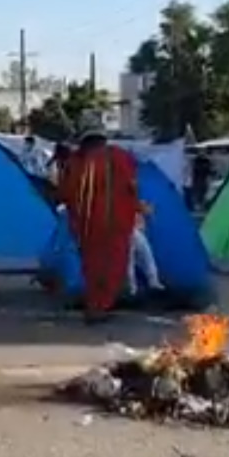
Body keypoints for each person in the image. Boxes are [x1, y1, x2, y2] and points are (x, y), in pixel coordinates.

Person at [57, 130, 140, 323]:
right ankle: (101, 305)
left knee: (93, 267)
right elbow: (132, 187)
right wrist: (137, 208)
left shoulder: (77, 162)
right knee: (113, 266)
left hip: (87, 227)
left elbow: (65, 193)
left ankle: (96, 306)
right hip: (116, 224)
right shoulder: (120, 157)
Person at [128, 202, 164, 296]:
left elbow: (148, 210)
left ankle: (132, 288)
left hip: (127, 234)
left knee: (130, 262)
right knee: (146, 258)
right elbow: (147, 210)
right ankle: (153, 282)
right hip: (134, 232)